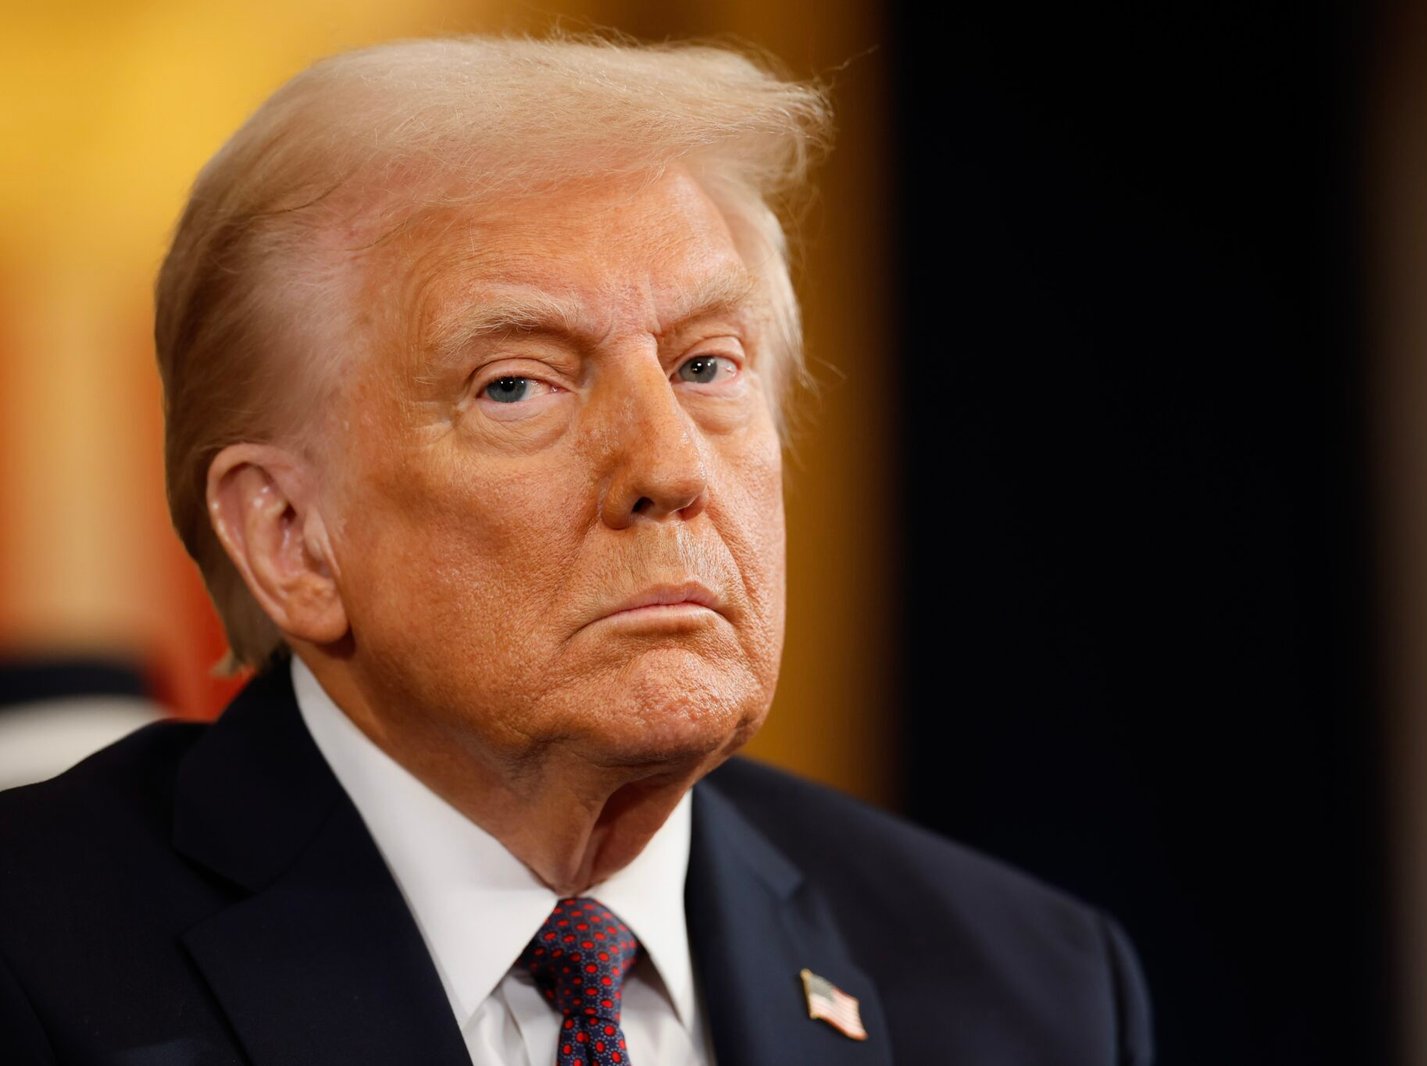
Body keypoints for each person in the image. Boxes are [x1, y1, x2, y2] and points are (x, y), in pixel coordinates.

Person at [0, 35, 1153, 1066]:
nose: (669, 467)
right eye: (519, 386)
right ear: (290, 537)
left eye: (708, 366)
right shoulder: (39, 967)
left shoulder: (1027, 989)